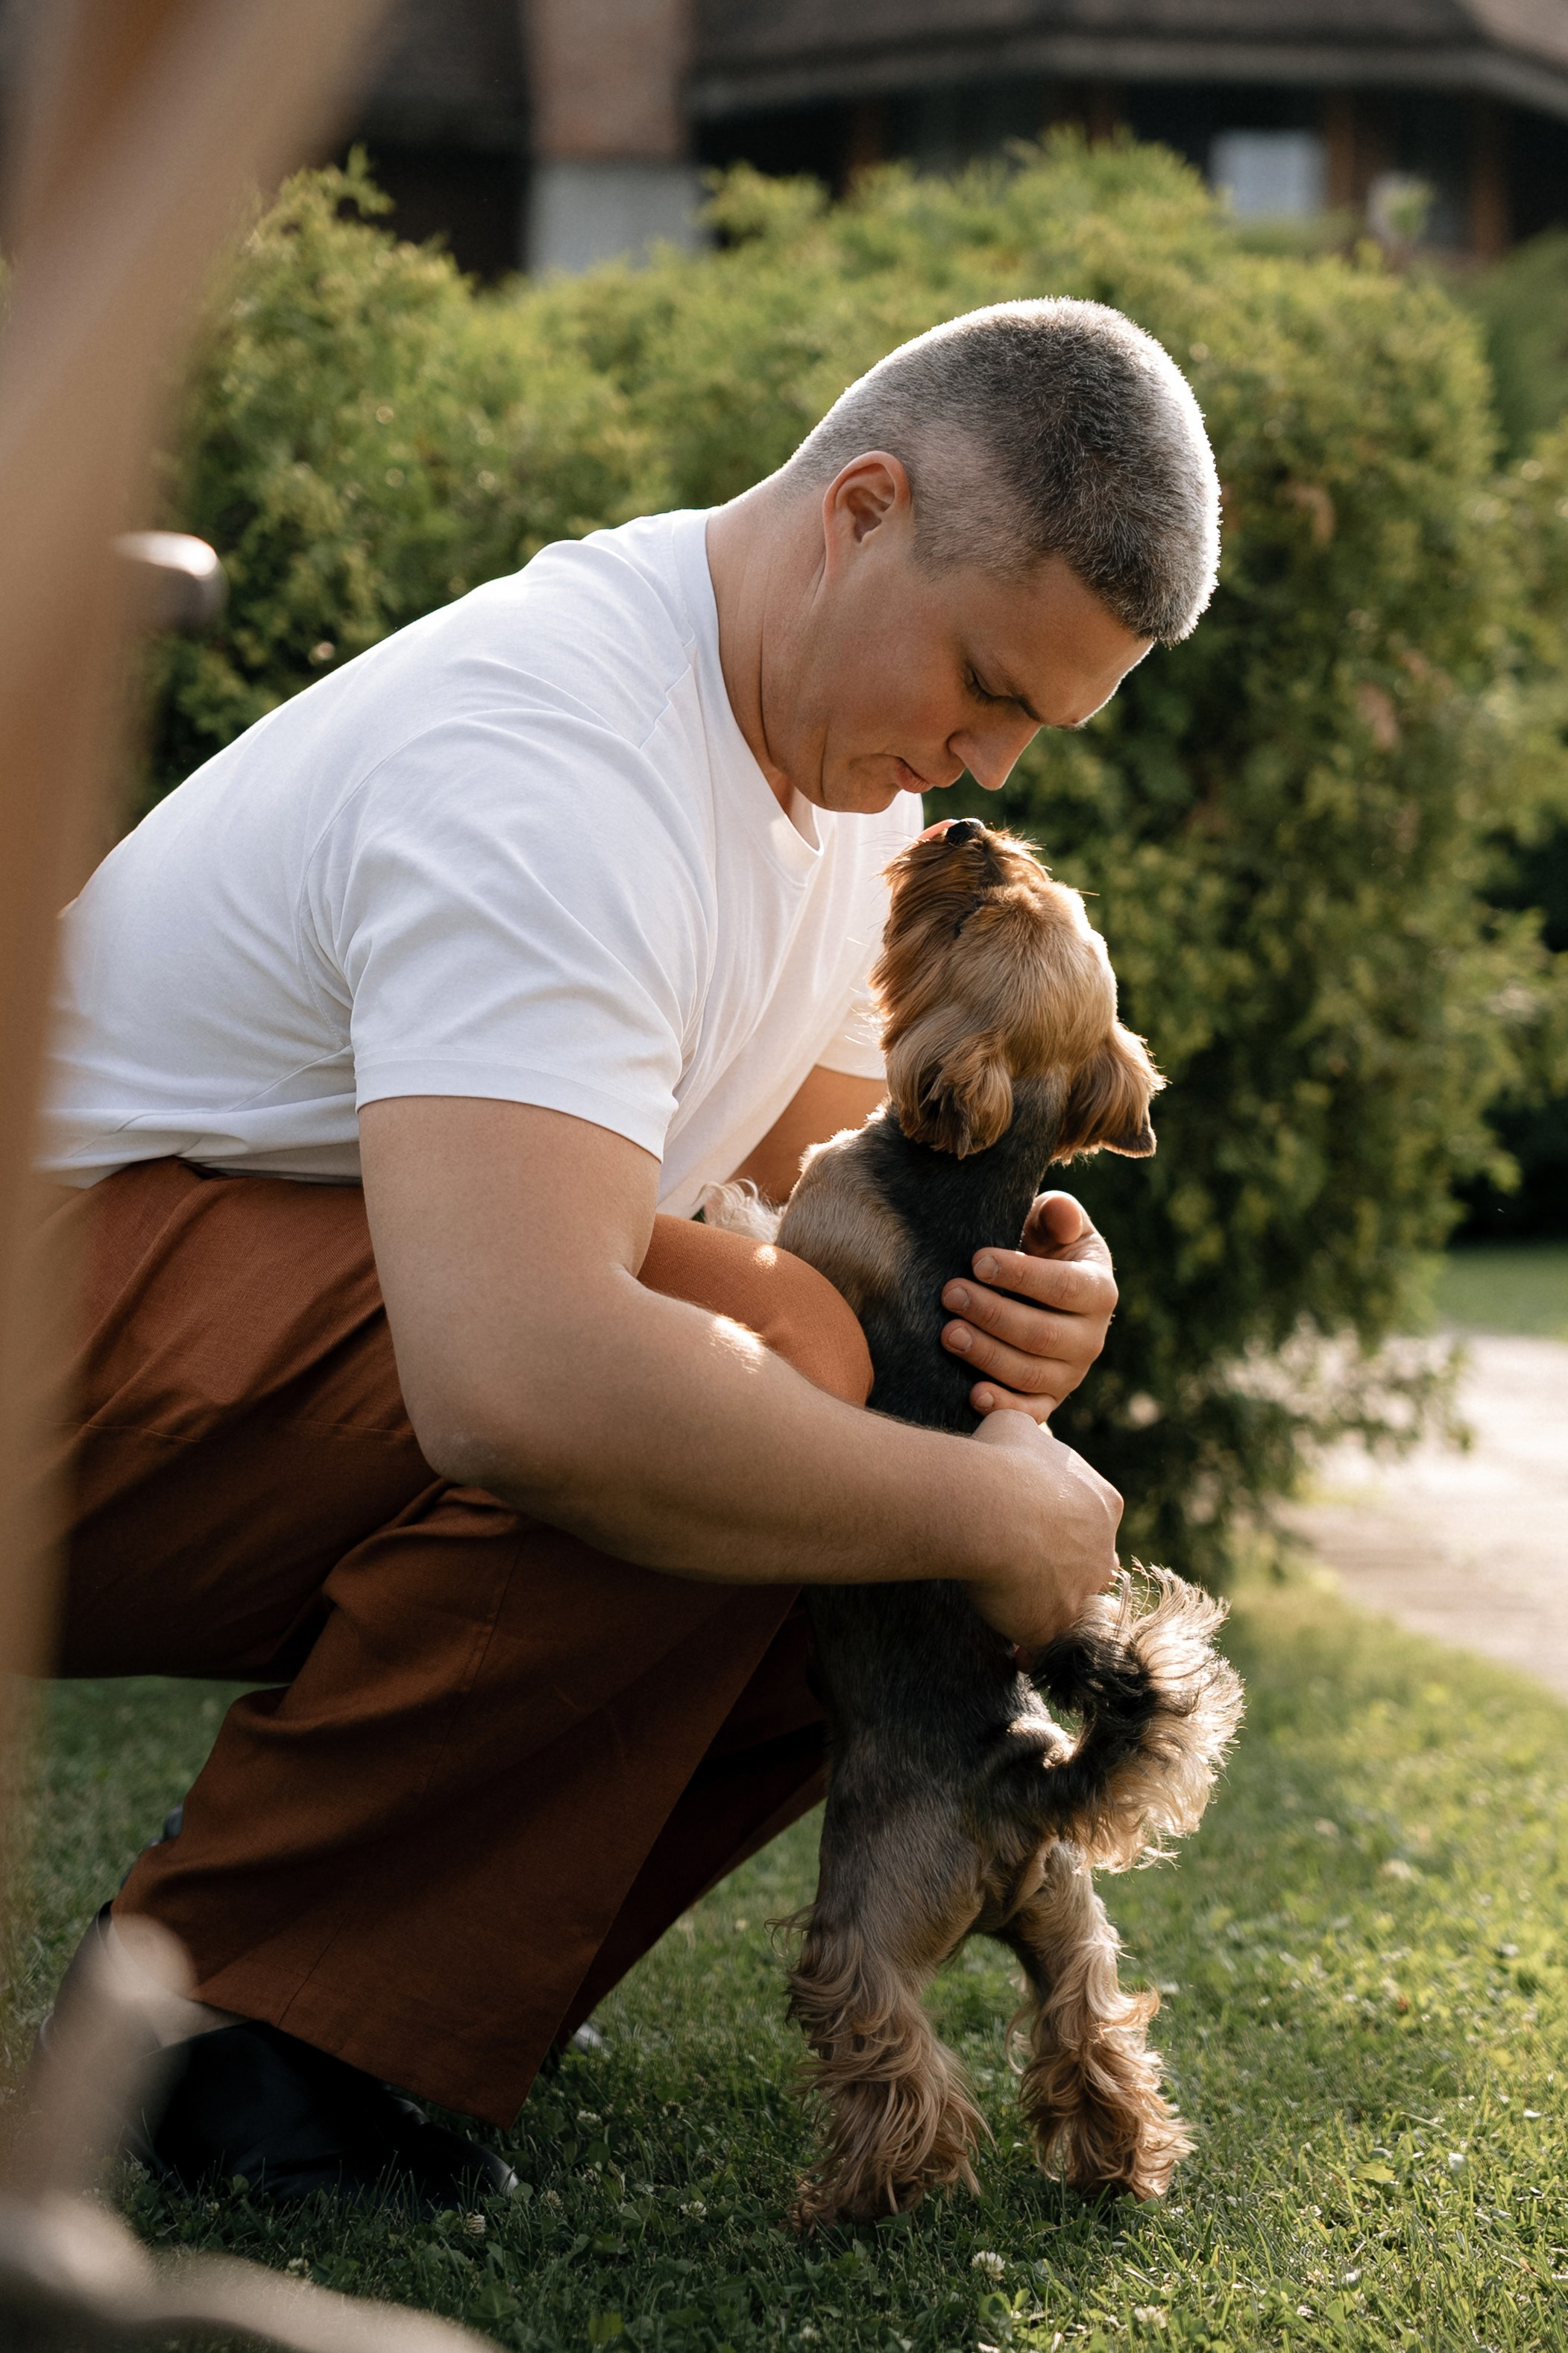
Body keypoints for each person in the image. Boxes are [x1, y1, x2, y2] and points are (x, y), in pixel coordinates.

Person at [37, 298, 1221, 2204]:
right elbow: (521, 1381)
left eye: (1032, 726)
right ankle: (224, 2028)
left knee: (828, 1417)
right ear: (856, 511)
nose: (986, 763)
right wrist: (981, 1515)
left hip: (190, 1363)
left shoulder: (847, 787)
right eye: (987, 685)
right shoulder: (555, 755)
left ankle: (367, 1995)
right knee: (766, 1396)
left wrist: (1020, 1314)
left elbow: (836, 1219)